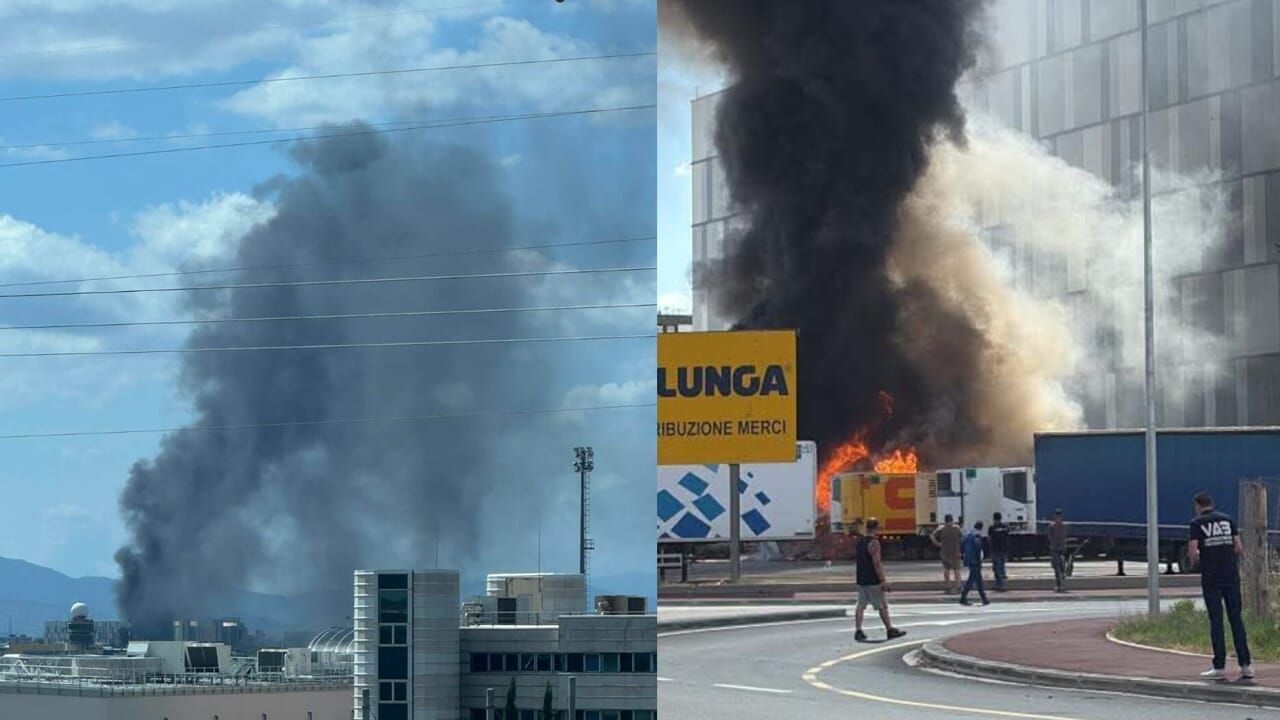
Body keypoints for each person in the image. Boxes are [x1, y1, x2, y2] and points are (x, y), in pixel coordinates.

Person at [1189, 492, 1253, 680]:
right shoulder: (1227, 520)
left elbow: (1193, 552)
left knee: (1216, 621)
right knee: (1236, 620)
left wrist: (1200, 560)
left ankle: (1219, 667)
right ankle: (1246, 665)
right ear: (1212, 503)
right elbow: (1239, 548)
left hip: (1212, 578)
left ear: (1198, 506)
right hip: (1231, 576)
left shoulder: (1196, 524)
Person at [853, 518, 907, 642]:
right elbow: (876, 562)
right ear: (876, 528)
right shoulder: (874, 543)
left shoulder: (860, 541)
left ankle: (858, 630)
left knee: (861, 605)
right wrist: (883, 580)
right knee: (882, 605)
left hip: (861, 578)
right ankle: (890, 629)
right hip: (873, 579)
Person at [960, 520, 990, 606]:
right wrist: (979, 560)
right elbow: (978, 548)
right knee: (971, 580)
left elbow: (962, 545)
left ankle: (984, 598)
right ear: (981, 528)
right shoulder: (976, 535)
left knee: (978, 580)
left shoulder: (969, 534)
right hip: (975, 560)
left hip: (969, 559)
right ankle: (963, 597)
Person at [930, 514, 963, 594]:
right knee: (957, 570)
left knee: (947, 569)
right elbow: (962, 537)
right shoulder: (957, 528)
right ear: (952, 520)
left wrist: (938, 543)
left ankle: (948, 586)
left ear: (945, 521)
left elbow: (931, 536)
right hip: (955, 552)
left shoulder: (941, 529)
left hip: (945, 552)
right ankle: (958, 586)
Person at [1047, 509, 1068, 593]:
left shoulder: (1056, 526)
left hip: (1058, 548)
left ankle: (1060, 584)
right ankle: (1059, 583)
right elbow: (1051, 536)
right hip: (1058, 547)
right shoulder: (1058, 526)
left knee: (1058, 566)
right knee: (1057, 566)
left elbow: (1051, 537)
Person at [989, 512, 1010, 591]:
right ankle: (1000, 584)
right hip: (1003, 550)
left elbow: (990, 539)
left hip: (995, 550)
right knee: (1001, 567)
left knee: (997, 568)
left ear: (994, 519)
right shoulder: (1005, 527)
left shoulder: (992, 528)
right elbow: (1007, 537)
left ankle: (1000, 585)